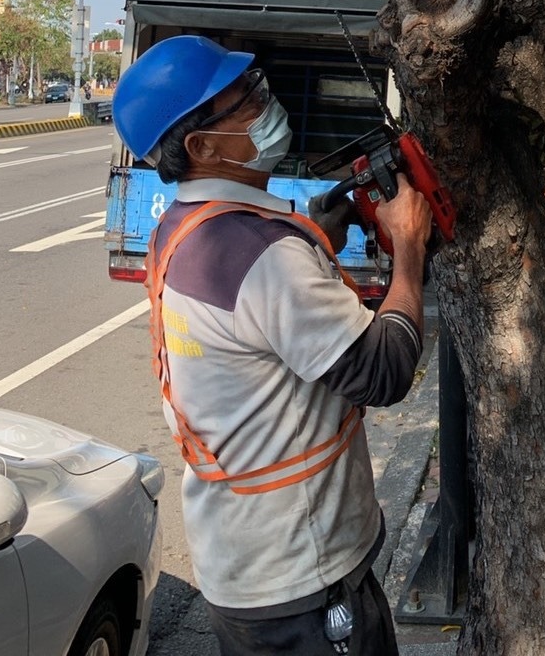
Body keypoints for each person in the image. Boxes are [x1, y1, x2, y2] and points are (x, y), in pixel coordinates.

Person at [112, 35, 433, 655]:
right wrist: (410, 249)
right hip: (304, 572)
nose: (269, 103)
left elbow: (253, 316)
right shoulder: (263, 256)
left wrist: (316, 236)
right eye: (247, 101)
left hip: (243, 561)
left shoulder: (183, 230)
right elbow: (384, 371)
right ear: (203, 146)